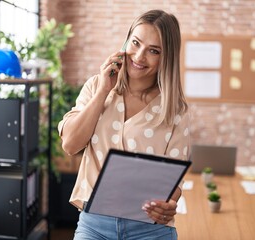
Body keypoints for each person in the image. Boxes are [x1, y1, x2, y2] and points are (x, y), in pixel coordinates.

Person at [58, 9, 190, 240]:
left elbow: (173, 182)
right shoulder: (96, 87)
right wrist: (103, 91)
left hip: (150, 228)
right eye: (136, 43)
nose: (139, 56)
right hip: (94, 225)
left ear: (166, 57)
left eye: (154, 51)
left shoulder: (174, 109)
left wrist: (171, 201)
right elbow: (70, 144)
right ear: (126, 40)